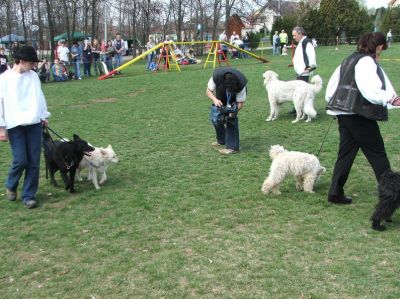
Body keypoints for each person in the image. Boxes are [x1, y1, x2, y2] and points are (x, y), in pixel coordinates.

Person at [325, 32, 400, 204]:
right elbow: (370, 89)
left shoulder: (350, 58)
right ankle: (391, 197)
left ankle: (335, 193)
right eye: (382, 48)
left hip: (344, 112)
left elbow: (332, 87)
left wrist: (335, 105)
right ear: (379, 46)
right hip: (358, 114)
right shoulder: (366, 62)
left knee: (346, 153)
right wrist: (389, 98)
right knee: (377, 154)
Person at [0, 46, 51, 209]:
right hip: (15, 125)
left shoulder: (33, 76)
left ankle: (29, 195)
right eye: (31, 62)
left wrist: (43, 115)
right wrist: (1, 128)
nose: (33, 66)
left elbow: (39, 96)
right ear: (21, 61)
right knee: (20, 159)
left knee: (34, 162)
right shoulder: (4, 79)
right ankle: (11, 184)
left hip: (34, 124)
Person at [206, 67, 247, 155]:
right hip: (220, 99)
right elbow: (208, 91)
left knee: (231, 120)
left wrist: (232, 113)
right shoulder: (216, 77)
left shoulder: (241, 84)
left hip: (233, 102)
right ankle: (221, 140)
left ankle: (232, 147)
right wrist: (215, 100)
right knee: (216, 119)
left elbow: (240, 103)